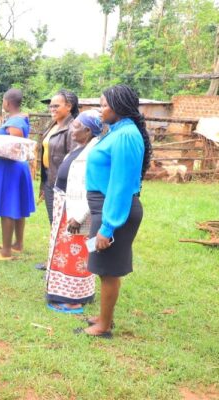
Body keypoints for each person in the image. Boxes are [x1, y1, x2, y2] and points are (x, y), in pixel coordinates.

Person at [75, 84, 151, 338]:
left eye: (105, 104)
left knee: (108, 270)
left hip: (115, 210)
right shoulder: (116, 131)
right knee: (103, 266)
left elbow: (121, 186)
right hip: (104, 207)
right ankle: (104, 316)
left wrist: (108, 227)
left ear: (119, 107)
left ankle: (104, 325)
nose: (101, 109)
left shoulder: (126, 135)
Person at [45, 110, 102, 313]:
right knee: (65, 253)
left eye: (76, 126)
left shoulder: (93, 153)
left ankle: (73, 299)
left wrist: (79, 217)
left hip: (77, 213)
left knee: (75, 254)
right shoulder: (81, 148)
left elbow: (94, 187)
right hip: (65, 207)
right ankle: (64, 293)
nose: (71, 129)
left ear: (88, 130)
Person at [0, 88, 35, 261]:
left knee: (8, 206)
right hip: (16, 168)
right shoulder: (20, 119)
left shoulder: (15, 123)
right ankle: (17, 244)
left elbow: (15, 149)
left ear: (7, 102)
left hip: (10, 169)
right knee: (17, 206)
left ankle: (6, 251)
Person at [34, 89, 80, 271]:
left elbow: (73, 160)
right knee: (54, 222)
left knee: (64, 224)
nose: (52, 108)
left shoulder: (74, 128)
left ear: (69, 107)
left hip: (63, 185)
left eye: (56, 105)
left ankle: (63, 261)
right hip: (49, 181)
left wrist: (64, 187)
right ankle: (55, 259)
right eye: (50, 105)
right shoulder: (54, 124)